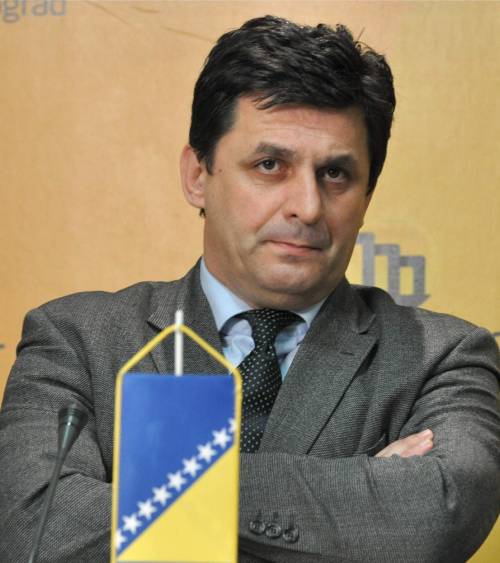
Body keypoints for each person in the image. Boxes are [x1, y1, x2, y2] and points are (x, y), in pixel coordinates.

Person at [0, 15, 498, 563]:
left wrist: (142, 500)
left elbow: (439, 515)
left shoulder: (443, 357)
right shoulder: (77, 339)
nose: (307, 207)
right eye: (270, 165)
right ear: (198, 176)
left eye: (335, 174)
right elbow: (34, 527)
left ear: (367, 195)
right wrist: (356, 503)